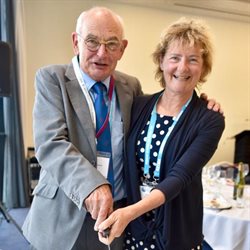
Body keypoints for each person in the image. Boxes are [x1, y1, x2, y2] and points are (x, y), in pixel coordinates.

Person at [22, 7, 221, 250]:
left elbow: (169, 112)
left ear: (122, 48)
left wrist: (203, 104)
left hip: (119, 217)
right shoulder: (52, 79)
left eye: (112, 44)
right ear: (76, 42)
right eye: (92, 42)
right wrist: (92, 185)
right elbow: (51, 144)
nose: (102, 53)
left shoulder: (130, 88)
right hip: (63, 214)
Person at [98, 17, 225, 250]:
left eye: (193, 59)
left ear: (204, 67)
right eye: (175, 58)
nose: (183, 67)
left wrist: (128, 213)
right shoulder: (138, 106)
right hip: (135, 230)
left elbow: (179, 177)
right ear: (161, 61)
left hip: (178, 233)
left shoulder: (210, 119)